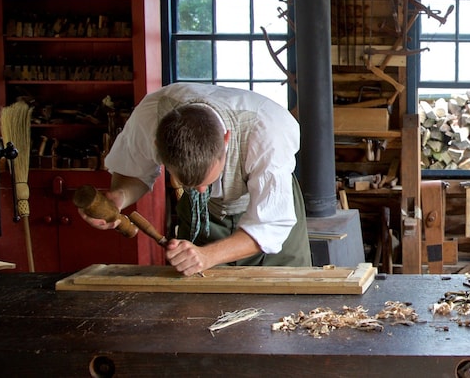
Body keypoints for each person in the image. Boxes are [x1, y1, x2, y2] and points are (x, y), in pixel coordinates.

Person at [78, 83, 311, 275]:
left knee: (288, 295)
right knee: (201, 305)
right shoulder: (150, 117)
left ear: (226, 139)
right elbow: (134, 172)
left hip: (270, 205)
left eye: (205, 181)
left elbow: (269, 225)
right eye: (191, 183)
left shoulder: (268, 132)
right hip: (202, 215)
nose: (201, 190)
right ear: (157, 147)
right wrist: (119, 198)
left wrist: (207, 255)